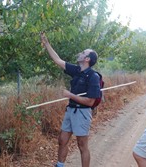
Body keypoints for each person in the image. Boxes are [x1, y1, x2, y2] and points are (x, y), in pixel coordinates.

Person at [40, 33, 101, 167]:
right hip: (70, 111)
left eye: (83, 52)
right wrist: (46, 43)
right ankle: (60, 165)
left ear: (87, 59)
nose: (80, 53)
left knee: (82, 145)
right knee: (62, 140)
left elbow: (90, 102)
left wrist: (70, 95)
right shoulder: (76, 70)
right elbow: (58, 60)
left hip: (82, 113)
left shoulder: (93, 77)